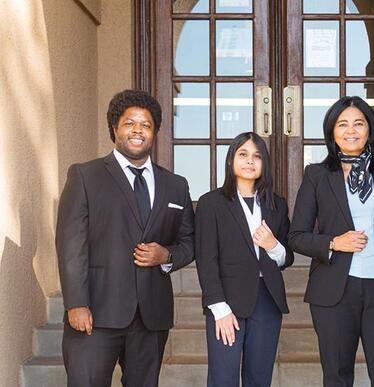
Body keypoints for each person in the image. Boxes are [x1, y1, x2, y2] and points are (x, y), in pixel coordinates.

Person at [55, 89, 194, 387]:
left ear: (154, 132)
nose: (138, 130)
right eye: (130, 123)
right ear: (114, 129)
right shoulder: (85, 176)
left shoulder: (176, 185)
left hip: (151, 316)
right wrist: (76, 303)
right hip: (95, 313)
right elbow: (71, 245)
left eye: (145, 125)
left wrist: (166, 256)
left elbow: (188, 243)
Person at [288, 96, 374, 387]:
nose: (351, 130)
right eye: (343, 124)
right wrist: (334, 243)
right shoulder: (317, 175)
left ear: (369, 130)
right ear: (332, 132)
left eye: (358, 123)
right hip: (333, 292)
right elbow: (296, 236)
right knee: (336, 377)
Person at [195, 132, 294, 387]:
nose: (250, 161)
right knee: (223, 378)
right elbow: (206, 260)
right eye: (243, 154)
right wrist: (219, 308)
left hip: (267, 301)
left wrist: (273, 246)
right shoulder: (210, 203)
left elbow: (286, 257)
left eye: (257, 156)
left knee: (259, 379)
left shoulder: (277, 205)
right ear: (231, 161)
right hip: (226, 302)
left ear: (264, 164)